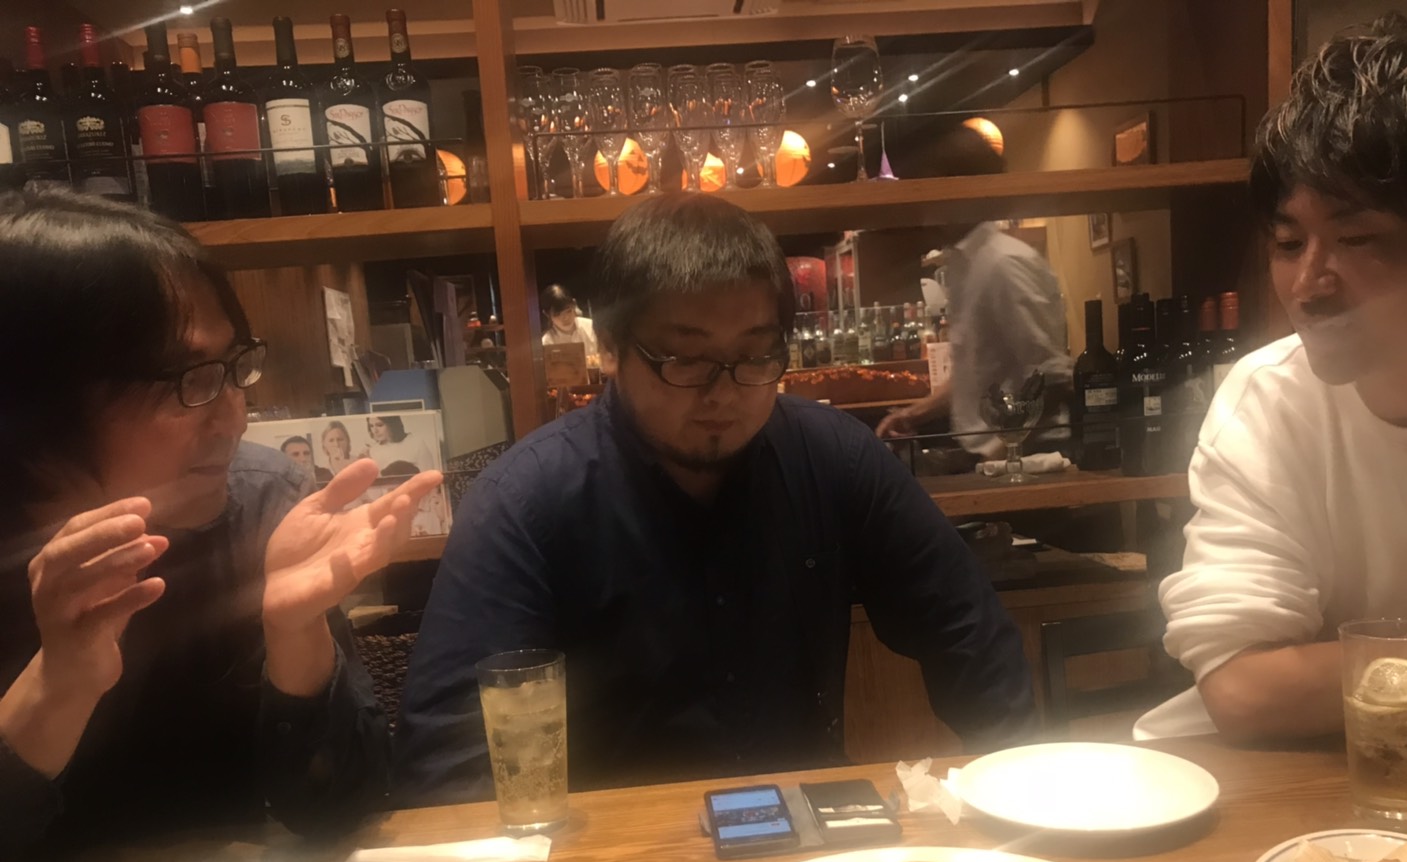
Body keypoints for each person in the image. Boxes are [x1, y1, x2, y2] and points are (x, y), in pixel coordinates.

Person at [396, 192, 1034, 804]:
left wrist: (1026, 802)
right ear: (610, 346)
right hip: (611, 854)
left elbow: (970, 638)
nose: (724, 394)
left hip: (808, 840)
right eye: (686, 359)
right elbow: (453, 767)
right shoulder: (524, 504)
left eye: (755, 356)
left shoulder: (835, 458)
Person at [0, 191, 443, 861]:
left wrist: (295, 635)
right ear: (37, 397)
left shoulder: (263, 508)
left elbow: (340, 809)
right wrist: (59, 684)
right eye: (185, 378)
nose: (234, 418)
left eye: (233, 369)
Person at [1139, 15, 1407, 744]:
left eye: (1358, 239)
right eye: (1289, 243)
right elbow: (1246, 692)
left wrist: (1359, 695)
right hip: (1266, 779)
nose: (1307, 286)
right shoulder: (1271, 401)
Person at [875, 221, 1072, 461]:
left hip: (1028, 456)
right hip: (993, 455)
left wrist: (1002, 453)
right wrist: (910, 415)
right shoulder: (964, 265)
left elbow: (1049, 377)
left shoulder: (1004, 262)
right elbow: (971, 373)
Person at [539, 283, 600, 365]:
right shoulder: (546, 343)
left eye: (568, 311)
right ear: (547, 314)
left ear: (574, 304)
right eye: (557, 314)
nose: (565, 318)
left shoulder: (592, 327)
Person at [365, 414, 436, 477]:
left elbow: (428, 476)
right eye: (371, 426)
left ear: (392, 424)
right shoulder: (374, 451)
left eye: (380, 425)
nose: (375, 431)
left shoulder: (416, 443)